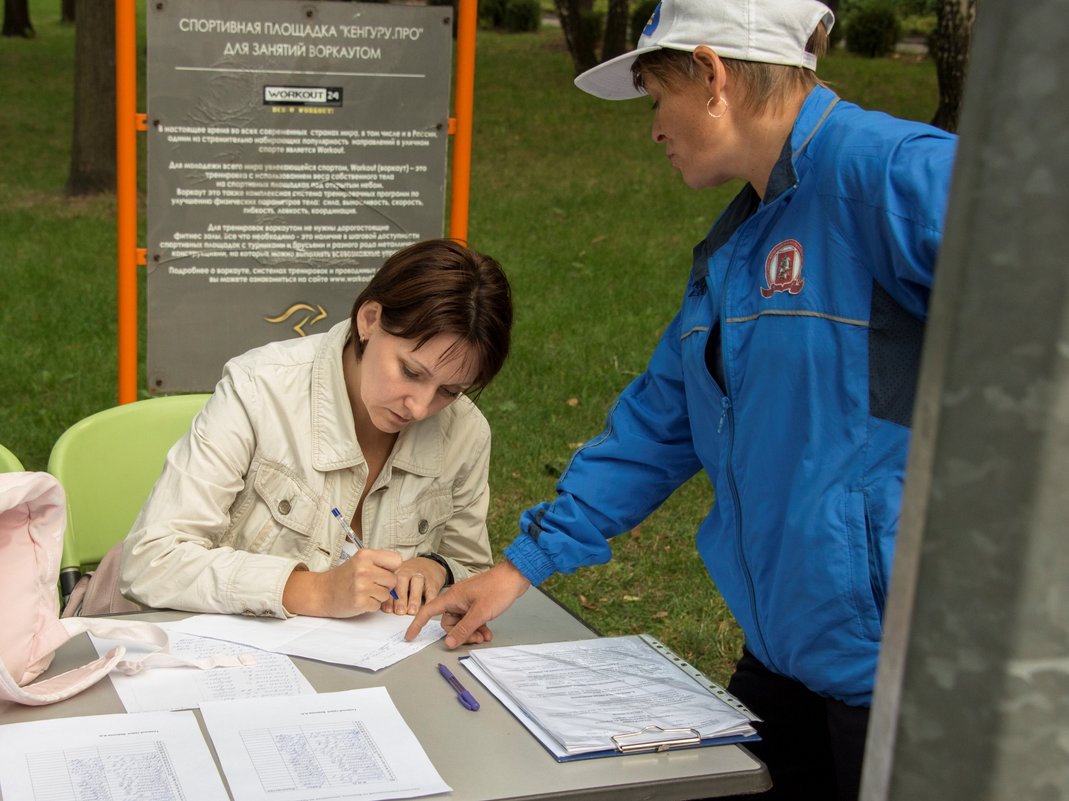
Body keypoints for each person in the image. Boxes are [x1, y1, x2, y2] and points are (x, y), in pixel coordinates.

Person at [406, 1, 957, 798]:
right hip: (788, 657)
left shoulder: (894, 174)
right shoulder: (743, 241)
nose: (654, 128)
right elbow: (660, 421)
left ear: (712, 75)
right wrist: (522, 564)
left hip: (909, 677)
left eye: (656, 96)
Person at [119, 238, 513, 620]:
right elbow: (151, 561)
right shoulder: (258, 389)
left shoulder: (465, 431)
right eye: (410, 371)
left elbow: (473, 569)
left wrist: (436, 568)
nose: (421, 406)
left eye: (449, 390)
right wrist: (316, 591)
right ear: (370, 321)